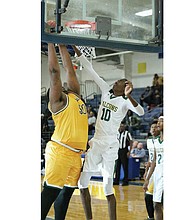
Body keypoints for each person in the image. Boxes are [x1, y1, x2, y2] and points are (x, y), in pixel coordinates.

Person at [73, 45, 144, 220]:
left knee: (107, 188)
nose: (116, 82)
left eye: (120, 81)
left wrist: (129, 96)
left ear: (125, 87)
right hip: (97, 141)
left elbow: (141, 112)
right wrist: (73, 46)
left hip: (111, 144)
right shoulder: (106, 90)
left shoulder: (125, 101)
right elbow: (90, 69)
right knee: (82, 183)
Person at [41, 21, 88, 220]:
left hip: (76, 155)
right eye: (58, 86)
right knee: (50, 193)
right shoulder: (59, 102)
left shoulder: (76, 94)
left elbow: (70, 70)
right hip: (60, 151)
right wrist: (51, 41)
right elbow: (55, 73)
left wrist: (62, 43)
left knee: (66, 194)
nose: (63, 84)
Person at [143, 116, 164, 220]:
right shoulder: (155, 142)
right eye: (158, 121)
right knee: (156, 204)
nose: (159, 123)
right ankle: (150, 217)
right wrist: (147, 179)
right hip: (157, 175)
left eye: (161, 121)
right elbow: (154, 161)